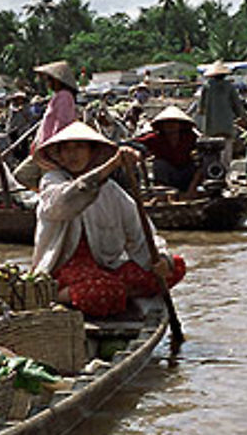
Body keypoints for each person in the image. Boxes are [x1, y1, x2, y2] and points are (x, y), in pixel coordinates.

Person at [32, 121, 185, 317]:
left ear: (91, 152)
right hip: (64, 269)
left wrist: (161, 258)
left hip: (106, 268)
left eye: (79, 147)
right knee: (104, 291)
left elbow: (140, 231)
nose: (73, 154)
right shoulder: (52, 181)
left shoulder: (111, 190)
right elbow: (63, 204)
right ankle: (54, 295)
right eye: (67, 149)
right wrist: (111, 165)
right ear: (59, 155)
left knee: (175, 265)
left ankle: (118, 294)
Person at [14, 60, 78, 188]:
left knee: (48, 181)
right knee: (21, 175)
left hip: (50, 151)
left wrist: (52, 148)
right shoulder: (57, 97)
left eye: (49, 80)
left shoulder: (64, 97)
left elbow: (61, 124)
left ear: (57, 81)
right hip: (42, 149)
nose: (48, 83)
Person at [133, 106, 202, 197]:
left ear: (180, 124)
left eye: (174, 122)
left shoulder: (189, 137)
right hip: (167, 176)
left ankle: (191, 192)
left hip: (186, 174)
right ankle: (163, 195)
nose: (170, 126)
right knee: (159, 164)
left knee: (200, 165)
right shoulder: (155, 138)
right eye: (167, 123)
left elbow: (203, 147)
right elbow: (135, 143)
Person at [198, 60, 247, 167]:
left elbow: (201, 108)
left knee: (212, 150)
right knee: (226, 150)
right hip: (227, 125)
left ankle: (214, 169)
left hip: (211, 126)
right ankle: (225, 170)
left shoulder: (207, 87)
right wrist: (242, 116)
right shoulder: (229, 87)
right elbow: (237, 105)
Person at [6, 91, 37, 161]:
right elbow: (11, 118)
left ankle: (23, 158)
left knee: (24, 145)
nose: (20, 100)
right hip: (13, 129)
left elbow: (30, 117)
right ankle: (16, 158)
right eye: (18, 99)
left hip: (23, 129)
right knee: (13, 146)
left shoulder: (26, 107)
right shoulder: (12, 107)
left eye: (21, 99)